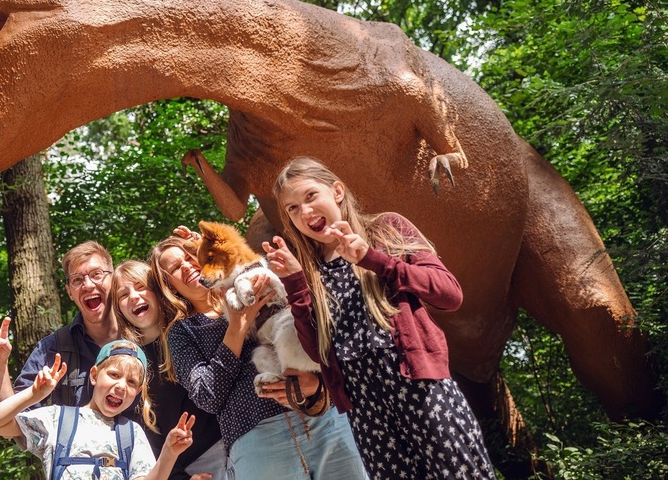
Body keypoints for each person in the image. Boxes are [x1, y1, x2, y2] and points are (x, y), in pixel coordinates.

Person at [265, 156, 496, 479]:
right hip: (367, 415)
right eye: (292, 208)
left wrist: (372, 260)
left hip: (422, 391)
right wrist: (294, 282)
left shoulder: (386, 229)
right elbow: (319, 353)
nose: (304, 212)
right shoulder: (311, 273)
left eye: (310, 196)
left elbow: (449, 294)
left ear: (337, 192)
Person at [153, 234, 369, 480]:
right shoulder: (183, 331)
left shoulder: (253, 276)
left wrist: (319, 386)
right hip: (258, 439)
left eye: (191, 256)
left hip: (322, 419)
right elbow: (208, 396)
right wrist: (237, 327)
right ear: (168, 285)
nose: (188, 265)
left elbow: (314, 333)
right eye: (175, 267)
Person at [0, 339, 197, 480]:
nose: (121, 386)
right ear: (93, 375)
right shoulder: (58, 419)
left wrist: (169, 452)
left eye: (131, 382)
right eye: (113, 375)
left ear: (138, 392)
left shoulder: (131, 434)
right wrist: (33, 395)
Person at [111, 260, 225, 480]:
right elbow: (145, 436)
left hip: (240, 440)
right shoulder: (130, 365)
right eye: (123, 295)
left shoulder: (193, 328)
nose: (134, 296)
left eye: (141, 286)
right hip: (197, 467)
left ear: (158, 290)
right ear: (119, 310)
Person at [0, 241, 119, 409]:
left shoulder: (143, 337)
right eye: (77, 279)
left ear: (114, 279)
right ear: (69, 291)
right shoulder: (54, 348)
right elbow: (11, 419)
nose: (88, 285)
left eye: (97, 274)